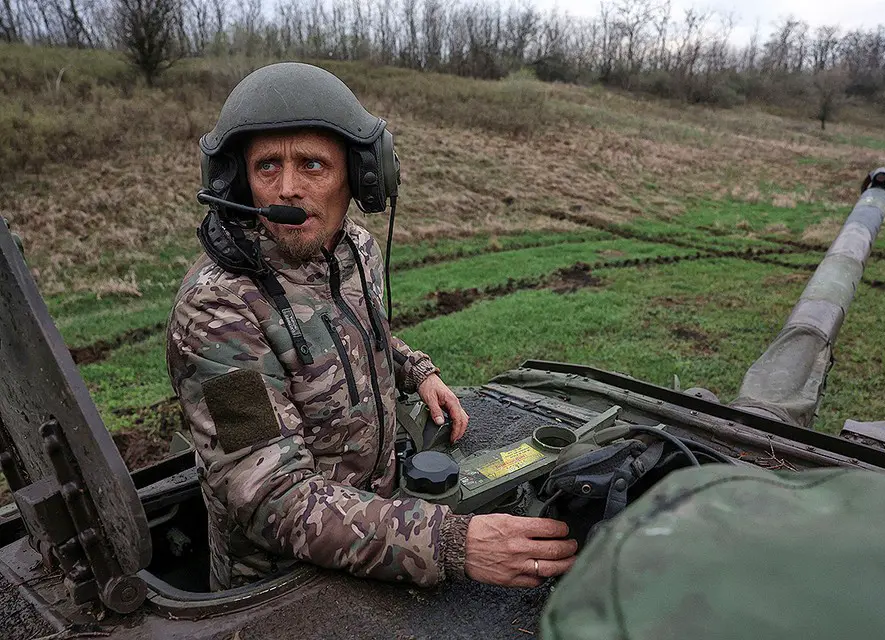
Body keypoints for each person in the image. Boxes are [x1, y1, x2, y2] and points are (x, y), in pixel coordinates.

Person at [165, 62, 577, 591]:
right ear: (236, 178)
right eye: (267, 166)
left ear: (360, 176)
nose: (286, 188)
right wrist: (449, 542)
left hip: (379, 526)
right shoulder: (215, 314)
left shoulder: (354, 250)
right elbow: (271, 494)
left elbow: (359, 332)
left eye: (313, 164)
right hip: (284, 586)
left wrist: (417, 370)